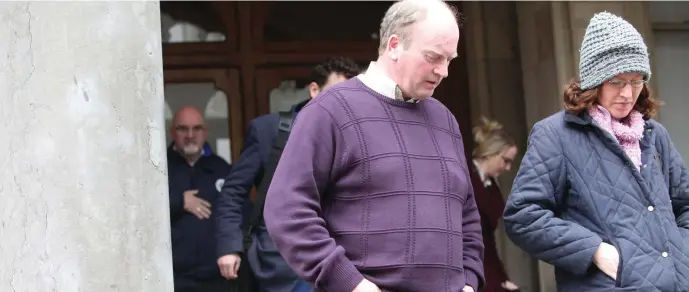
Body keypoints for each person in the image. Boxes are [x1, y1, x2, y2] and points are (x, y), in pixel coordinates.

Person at [263, 1, 485, 292]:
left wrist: (469, 281)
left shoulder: (445, 119)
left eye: (449, 59)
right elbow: (287, 210)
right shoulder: (330, 111)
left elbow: (467, 214)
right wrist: (352, 284)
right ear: (394, 45)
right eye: (433, 57)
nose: (443, 70)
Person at [503, 12, 689, 291]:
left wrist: (681, 255)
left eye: (636, 81)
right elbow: (523, 216)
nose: (628, 93)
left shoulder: (654, 134)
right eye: (617, 81)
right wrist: (594, 251)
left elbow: (684, 206)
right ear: (594, 80)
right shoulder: (555, 135)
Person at [215, 56, 361, 292]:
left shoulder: (356, 135)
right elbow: (233, 192)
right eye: (337, 95)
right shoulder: (269, 130)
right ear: (314, 90)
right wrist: (229, 246)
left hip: (343, 264)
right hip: (283, 264)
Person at [167, 106, 233, 292]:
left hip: (217, 278)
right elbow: (139, 210)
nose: (190, 135)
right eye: (182, 128)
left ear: (205, 132)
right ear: (172, 132)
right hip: (173, 279)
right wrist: (179, 202)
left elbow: (238, 213)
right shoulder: (158, 167)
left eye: (196, 128)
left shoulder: (222, 169)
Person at [469, 117, 520, 292]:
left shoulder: (491, 188)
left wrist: (502, 278)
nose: (507, 168)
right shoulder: (463, 176)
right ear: (490, 153)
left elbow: (488, 243)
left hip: (484, 268)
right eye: (505, 160)